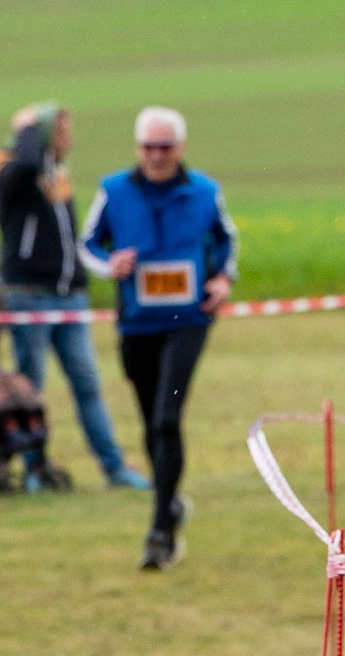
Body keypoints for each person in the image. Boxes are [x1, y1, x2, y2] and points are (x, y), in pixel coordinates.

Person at [79, 107, 237, 569]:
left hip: (188, 321)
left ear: (180, 147)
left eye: (165, 147)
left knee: (168, 418)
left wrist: (222, 280)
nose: (156, 155)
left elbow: (226, 240)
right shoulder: (113, 191)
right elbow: (87, 244)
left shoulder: (205, 191)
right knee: (151, 424)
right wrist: (110, 265)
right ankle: (170, 502)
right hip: (136, 323)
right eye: (148, 147)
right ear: (138, 148)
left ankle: (160, 532)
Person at [0, 103, 147, 491]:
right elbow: (27, 163)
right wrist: (28, 127)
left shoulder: (57, 177)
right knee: (30, 391)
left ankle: (114, 468)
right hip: (30, 297)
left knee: (87, 384)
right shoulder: (12, 174)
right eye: (61, 133)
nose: (70, 142)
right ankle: (34, 470)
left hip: (69, 298)